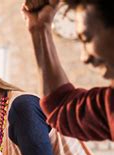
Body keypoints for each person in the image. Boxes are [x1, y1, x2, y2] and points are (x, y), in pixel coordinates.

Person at [22, 0, 114, 141]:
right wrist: (39, 29)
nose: (84, 57)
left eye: (87, 39)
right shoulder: (110, 102)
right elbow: (60, 107)